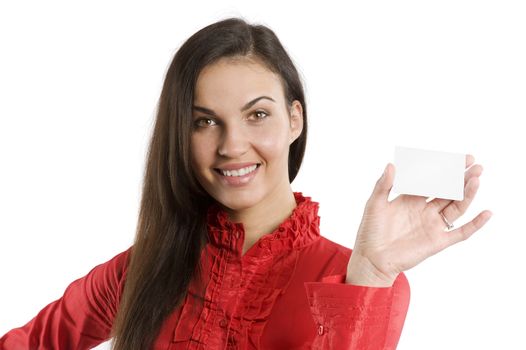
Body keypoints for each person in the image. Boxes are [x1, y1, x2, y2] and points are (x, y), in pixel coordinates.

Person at [0, 17, 492, 350]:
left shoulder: (362, 279)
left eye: (257, 114)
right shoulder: (141, 269)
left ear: (295, 118)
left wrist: (371, 275)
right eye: (204, 122)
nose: (232, 145)